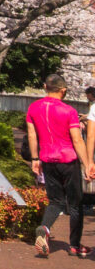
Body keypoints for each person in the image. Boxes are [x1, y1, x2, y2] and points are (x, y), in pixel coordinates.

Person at [26, 73, 89, 257]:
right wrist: (87, 164)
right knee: (75, 203)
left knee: (56, 201)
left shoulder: (33, 108)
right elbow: (77, 140)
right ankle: (75, 245)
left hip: (47, 159)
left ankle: (44, 228)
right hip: (68, 160)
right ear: (63, 91)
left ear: (45, 87)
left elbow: (32, 135)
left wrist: (35, 159)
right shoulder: (68, 111)